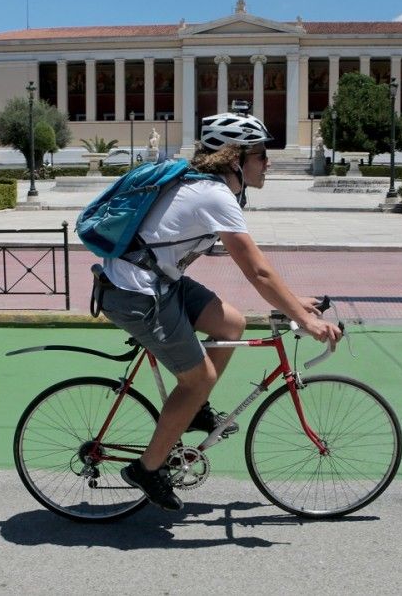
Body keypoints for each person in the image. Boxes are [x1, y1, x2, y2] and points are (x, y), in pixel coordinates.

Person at [96, 110, 342, 511]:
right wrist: (303, 319)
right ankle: (147, 468)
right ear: (235, 159)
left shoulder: (208, 188)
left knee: (232, 323)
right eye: (261, 155)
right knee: (198, 378)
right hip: (136, 292)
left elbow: (256, 268)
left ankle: (194, 411)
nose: (268, 162)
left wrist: (296, 303)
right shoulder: (213, 194)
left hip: (157, 280)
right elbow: (257, 271)